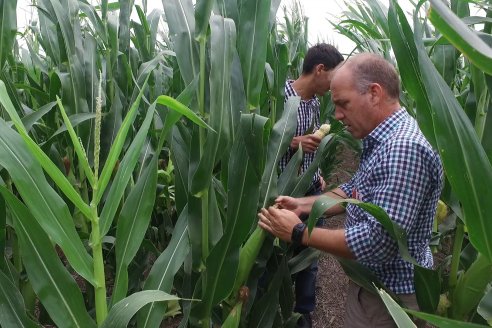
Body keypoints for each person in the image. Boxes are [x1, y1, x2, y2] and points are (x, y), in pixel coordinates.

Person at [259, 53, 443, 328]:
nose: (337, 115)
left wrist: (298, 232)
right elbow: (354, 191)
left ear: (374, 93)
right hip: (378, 289)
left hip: (390, 298)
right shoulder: (384, 140)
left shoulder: (403, 149)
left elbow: (378, 242)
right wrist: (303, 205)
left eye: (343, 104)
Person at [278, 43, 344, 328]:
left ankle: (303, 314)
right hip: (281, 189)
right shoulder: (278, 95)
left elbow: (311, 146)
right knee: (277, 254)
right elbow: (260, 139)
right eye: (333, 77)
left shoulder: (315, 103)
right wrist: (295, 143)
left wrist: (315, 173)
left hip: (309, 187)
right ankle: (272, 308)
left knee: (309, 256)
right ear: (319, 70)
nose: (334, 87)